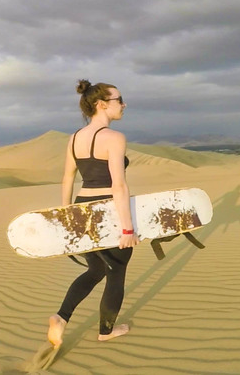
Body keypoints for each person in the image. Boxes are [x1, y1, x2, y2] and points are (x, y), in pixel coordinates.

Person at [47, 79, 139, 347]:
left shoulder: (74, 138)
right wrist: (127, 228)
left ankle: (61, 317)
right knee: (116, 271)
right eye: (118, 100)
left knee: (95, 268)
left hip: (81, 207)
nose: (124, 104)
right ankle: (106, 330)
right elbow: (118, 185)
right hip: (108, 209)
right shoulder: (114, 138)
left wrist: (68, 216)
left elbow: (67, 178)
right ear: (101, 104)